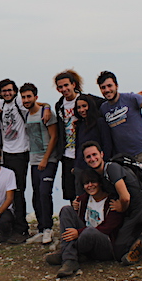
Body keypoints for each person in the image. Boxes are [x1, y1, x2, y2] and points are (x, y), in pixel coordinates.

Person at [81, 141, 142, 265]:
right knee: (119, 252)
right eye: (88, 157)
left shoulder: (112, 168)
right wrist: (78, 202)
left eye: (95, 154)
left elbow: (125, 197)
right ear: (85, 160)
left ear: (102, 154)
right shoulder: (99, 176)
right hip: (130, 214)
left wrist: (121, 207)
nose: (92, 159)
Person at [0, 78, 51, 241]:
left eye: (10, 90)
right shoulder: (1, 104)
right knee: (8, 191)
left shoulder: (20, 102)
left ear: (15, 91)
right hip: (6, 152)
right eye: (4, 91)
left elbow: (39, 103)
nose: (7, 93)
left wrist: (47, 107)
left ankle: (21, 229)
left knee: (18, 191)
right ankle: (10, 225)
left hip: (20, 152)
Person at [45, 168, 122, 277]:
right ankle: (70, 259)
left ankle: (66, 254)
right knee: (66, 210)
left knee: (89, 232)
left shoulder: (112, 202)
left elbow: (107, 228)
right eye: (86, 183)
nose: (90, 185)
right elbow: (78, 220)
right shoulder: (84, 200)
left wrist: (78, 232)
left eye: (93, 182)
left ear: (100, 183)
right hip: (85, 240)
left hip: (104, 244)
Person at [53, 70, 104, 201]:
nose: (64, 89)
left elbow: (109, 103)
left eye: (66, 85)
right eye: (60, 87)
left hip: (86, 154)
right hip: (67, 155)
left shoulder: (87, 100)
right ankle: (75, 220)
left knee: (91, 189)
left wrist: (129, 99)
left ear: (73, 84)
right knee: (71, 192)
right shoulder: (59, 105)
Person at [97, 71, 142, 170]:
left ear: (116, 86)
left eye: (110, 86)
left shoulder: (131, 98)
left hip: (140, 153)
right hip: (121, 158)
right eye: (103, 87)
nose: (107, 90)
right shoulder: (103, 108)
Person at [20, 83, 58, 244]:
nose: (26, 100)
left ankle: (48, 229)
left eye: (29, 96)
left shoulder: (46, 113)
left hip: (48, 160)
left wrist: (45, 159)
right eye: (23, 97)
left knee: (44, 192)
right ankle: (41, 229)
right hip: (33, 160)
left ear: (36, 97)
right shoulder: (26, 114)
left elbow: (54, 137)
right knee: (36, 194)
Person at [73, 94, 112, 185]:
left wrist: (103, 166)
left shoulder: (100, 122)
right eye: (78, 107)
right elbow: (78, 146)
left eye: (84, 106)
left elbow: (107, 145)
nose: (81, 110)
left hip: (97, 167)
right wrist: (75, 166)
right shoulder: (80, 125)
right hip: (81, 167)